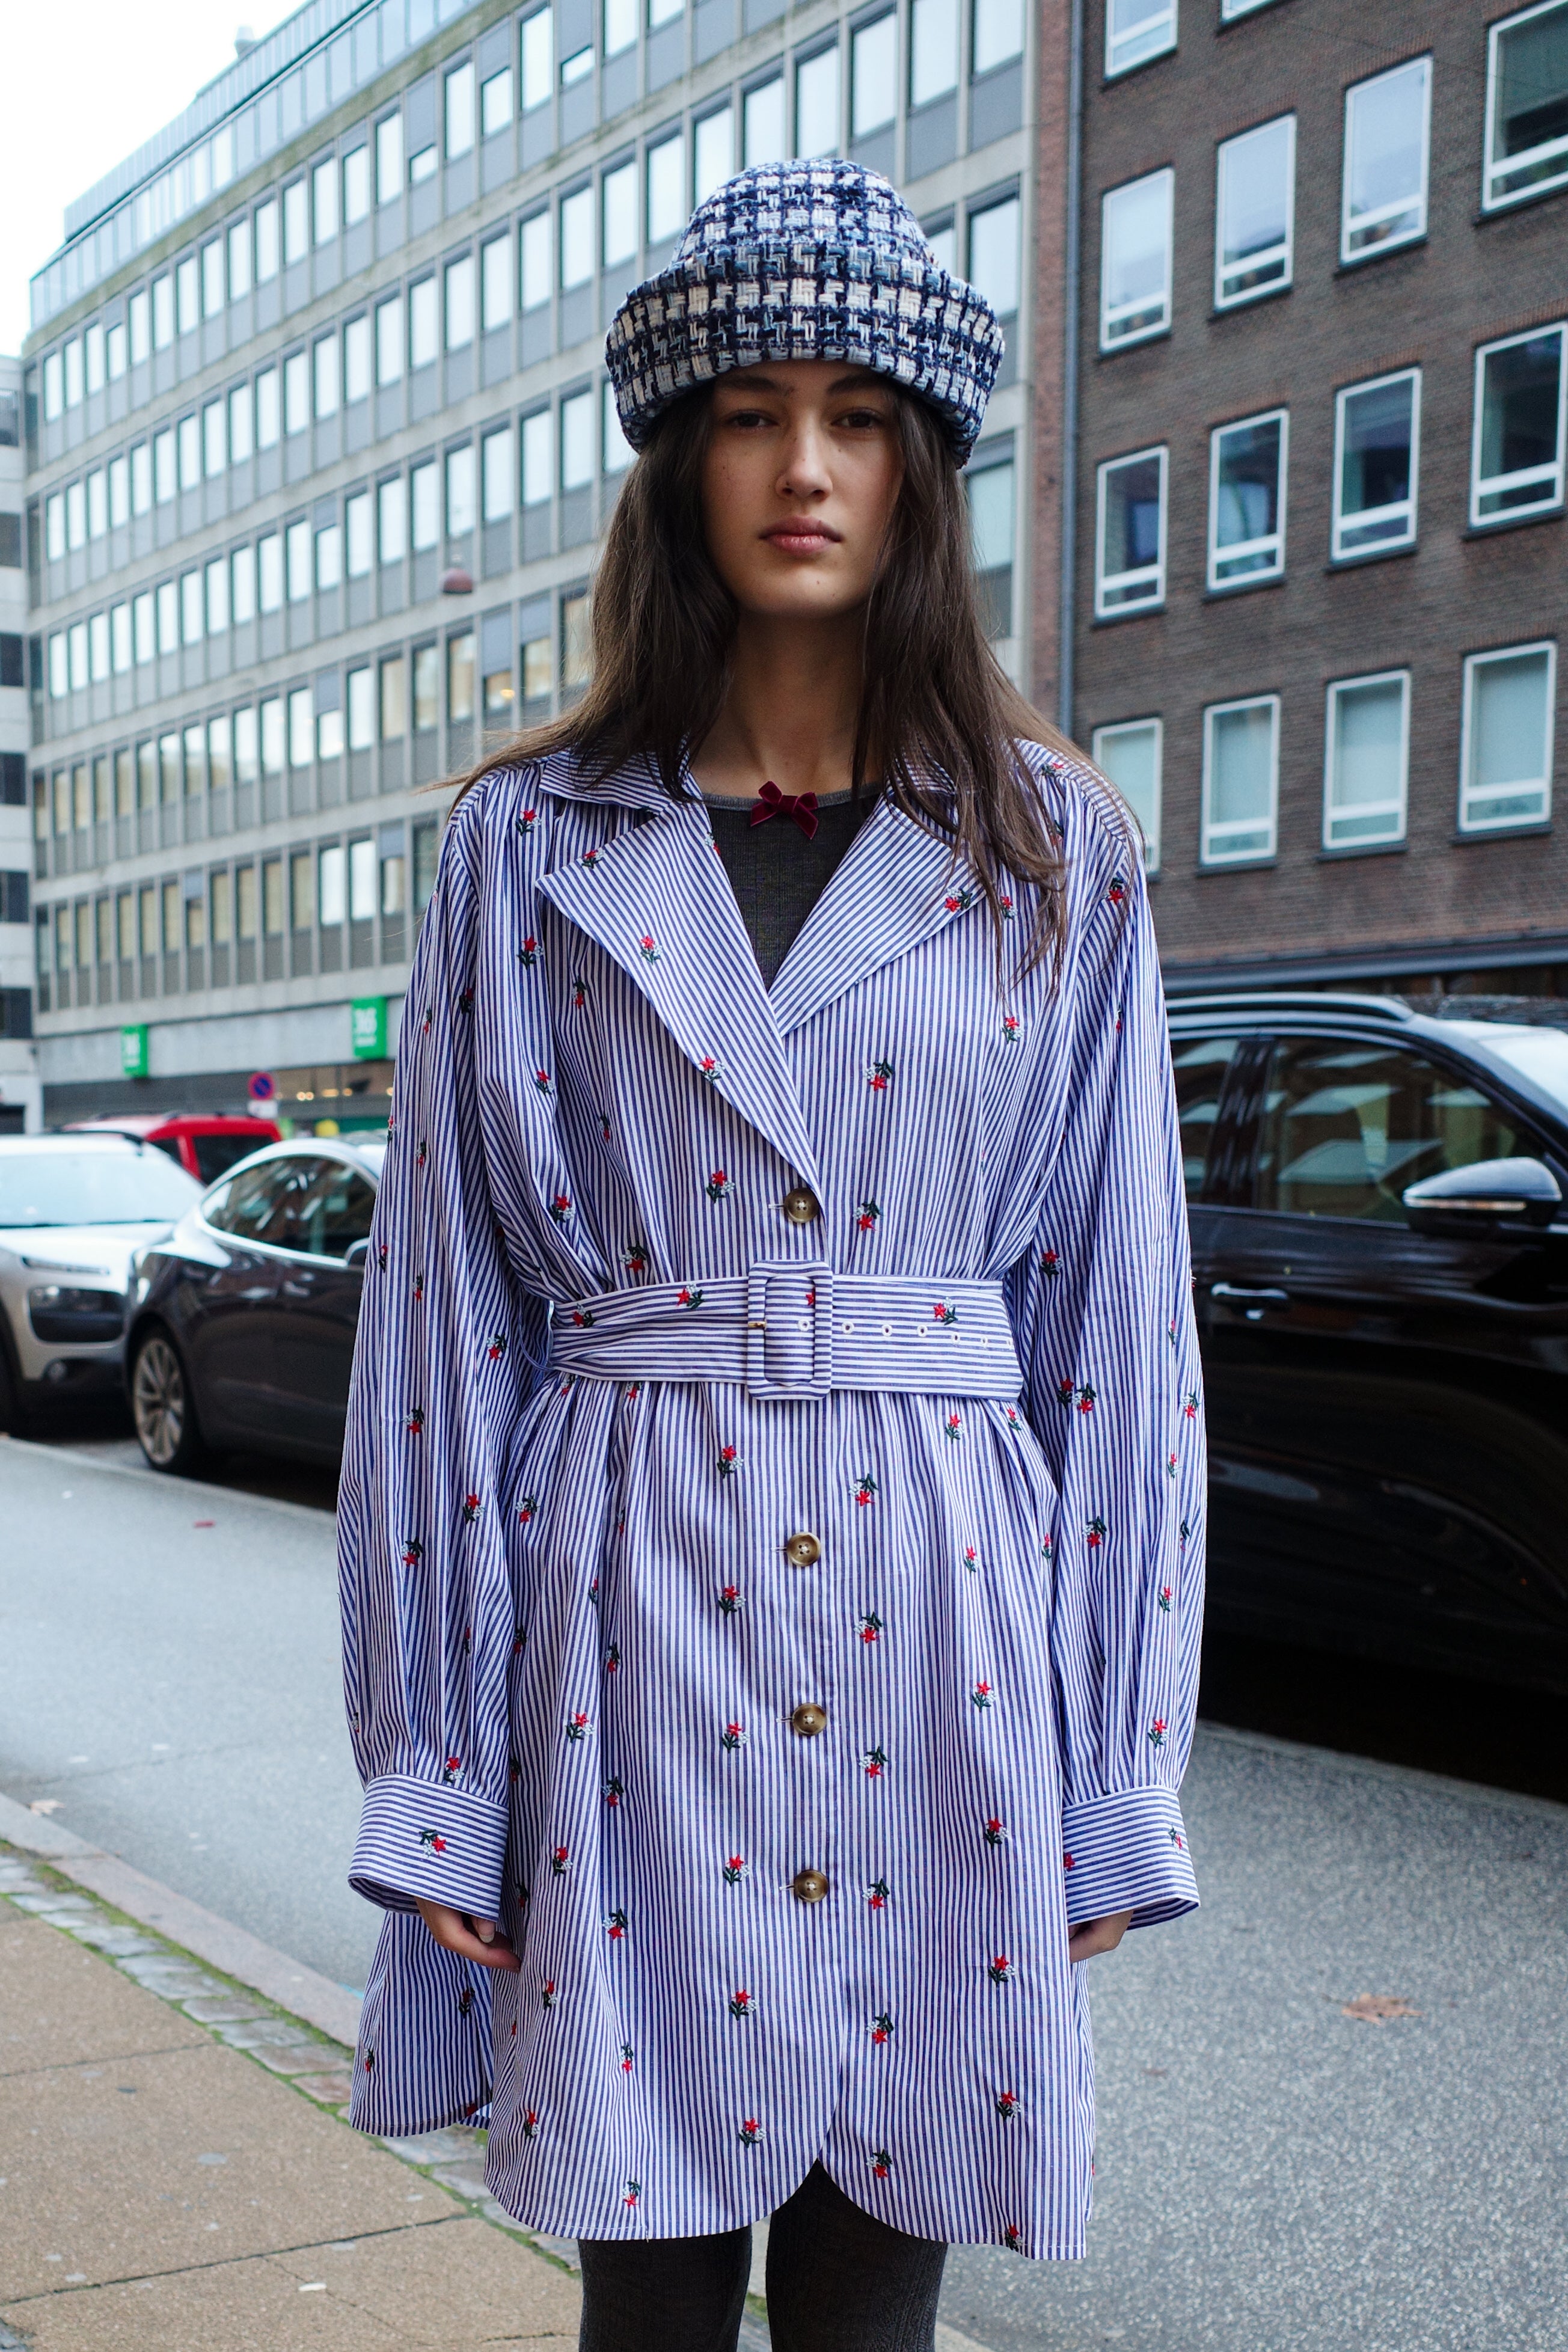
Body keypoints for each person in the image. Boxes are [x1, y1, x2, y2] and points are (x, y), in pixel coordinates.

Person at [338, 161, 1205, 2352]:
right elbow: (446, 1322)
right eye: (745, 410)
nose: (802, 466)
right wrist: (445, 1769)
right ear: (676, 461)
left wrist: (1111, 1779)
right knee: (642, 2273)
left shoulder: (1049, 849)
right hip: (634, 1594)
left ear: (922, 461)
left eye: (853, 412)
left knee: (875, 2287)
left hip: (943, 1611)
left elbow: (1117, 1332)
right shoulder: (530, 842)